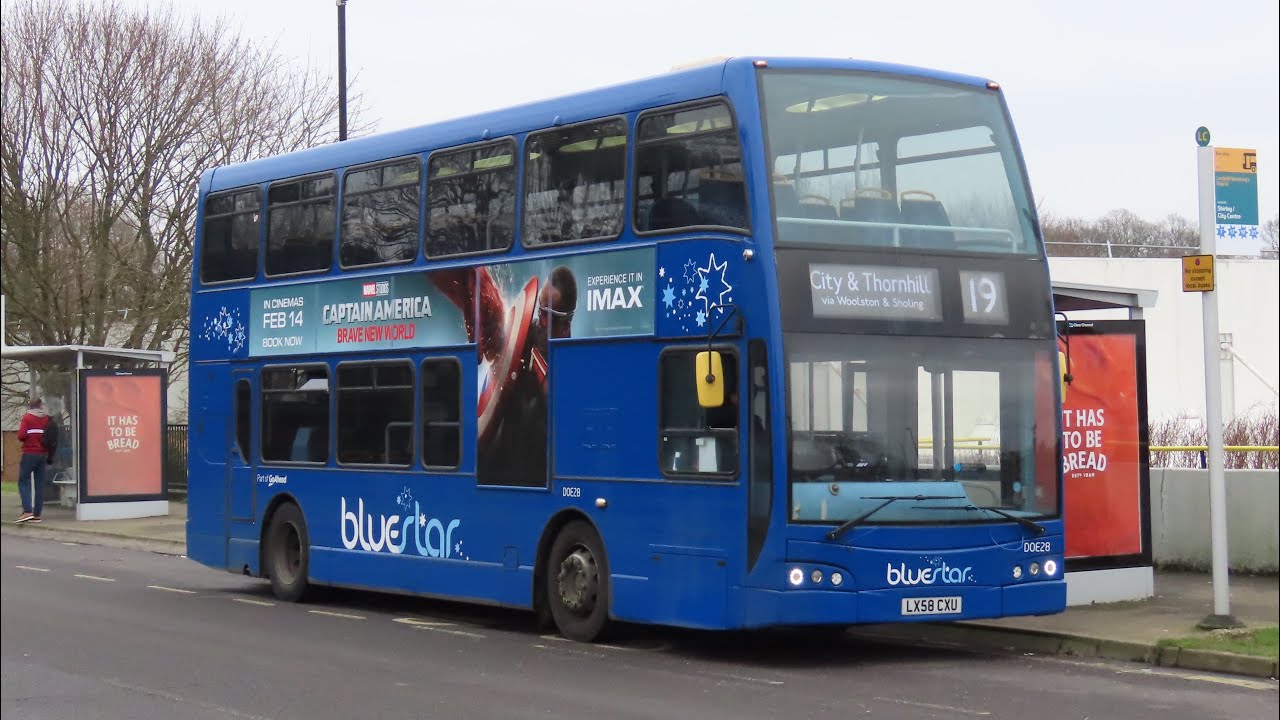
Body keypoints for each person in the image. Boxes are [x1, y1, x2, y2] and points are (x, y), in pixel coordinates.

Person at [15, 397, 51, 523]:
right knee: (39, 484)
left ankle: (27, 511)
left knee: (23, 480)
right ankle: (37, 514)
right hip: (43, 454)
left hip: (30, 453)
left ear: (30, 406)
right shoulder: (46, 419)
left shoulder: (27, 418)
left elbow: (21, 435)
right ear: (41, 406)